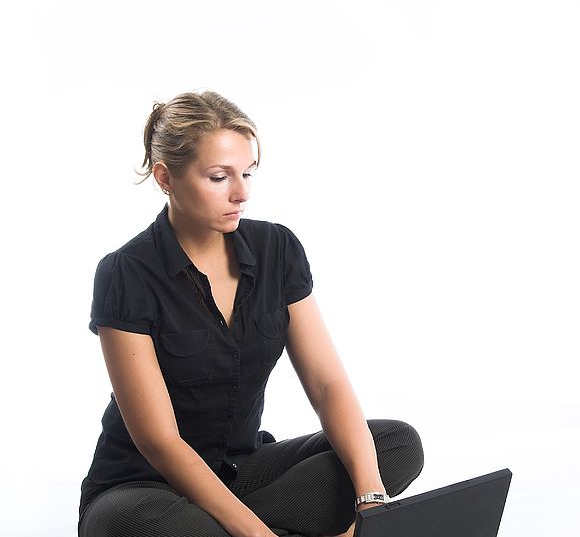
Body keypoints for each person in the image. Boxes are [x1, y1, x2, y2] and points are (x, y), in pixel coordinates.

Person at [78, 91, 424, 537]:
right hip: (145, 487)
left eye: (247, 173)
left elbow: (326, 383)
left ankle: (232, 523)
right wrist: (257, 535)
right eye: (220, 177)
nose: (242, 193)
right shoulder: (126, 273)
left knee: (395, 445)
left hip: (243, 472)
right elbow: (158, 442)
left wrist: (369, 503)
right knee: (138, 524)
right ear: (166, 178)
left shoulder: (277, 249)